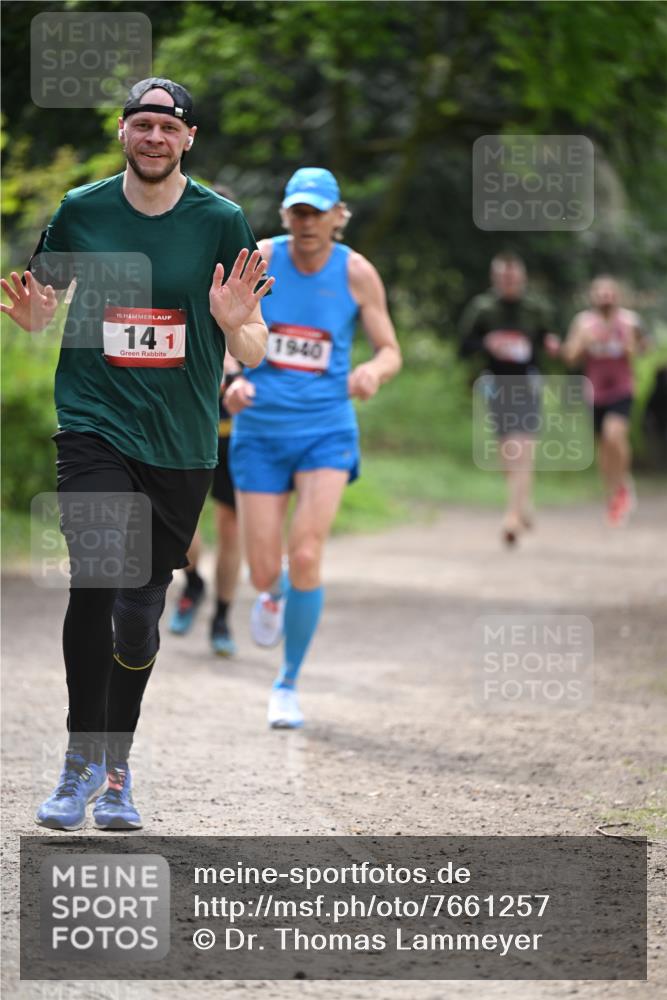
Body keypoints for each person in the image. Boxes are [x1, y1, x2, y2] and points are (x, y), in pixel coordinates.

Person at [0, 78, 272, 830]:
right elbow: (41, 304)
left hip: (181, 443)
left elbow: (253, 339)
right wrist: (32, 318)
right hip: (93, 419)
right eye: (142, 124)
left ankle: (116, 769)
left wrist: (233, 322)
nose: (154, 137)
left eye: (168, 127)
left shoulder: (220, 221)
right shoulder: (81, 210)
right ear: (122, 132)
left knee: (138, 613)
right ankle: (78, 759)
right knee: (95, 577)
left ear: (188, 139)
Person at [225, 167, 402, 729]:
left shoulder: (356, 273)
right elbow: (228, 329)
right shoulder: (259, 260)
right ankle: (272, 594)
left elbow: (391, 348)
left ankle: (287, 682)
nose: (306, 222)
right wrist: (233, 379)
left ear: (336, 216)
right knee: (261, 571)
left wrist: (374, 371)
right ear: (286, 216)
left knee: (305, 554)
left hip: (326, 428)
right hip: (260, 429)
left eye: (316, 212)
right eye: (297, 212)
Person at [459, 252, 560, 546]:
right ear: (494, 279)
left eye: (513, 277)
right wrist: (486, 343)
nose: (508, 282)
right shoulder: (482, 308)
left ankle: (512, 517)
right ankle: (522, 502)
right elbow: (463, 346)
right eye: (503, 277)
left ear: (522, 278)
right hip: (495, 384)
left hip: (527, 383)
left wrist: (551, 343)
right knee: (508, 451)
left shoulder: (536, 308)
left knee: (522, 448)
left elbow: (545, 338)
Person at [168, 352, 243, 656]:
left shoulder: (260, 313)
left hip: (238, 441)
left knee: (231, 530)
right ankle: (194, 582)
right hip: (191, 435)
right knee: (180, 521)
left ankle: (222, 618)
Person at [562, 275, 646, 525]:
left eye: (610, 293)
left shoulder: (629, 321)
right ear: (593, 296)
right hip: (595, 391)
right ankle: (613, 493)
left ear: (616, 295)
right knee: (604, 446)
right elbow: (569, 357)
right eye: (600, 293)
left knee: (615, 435)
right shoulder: (584, 322)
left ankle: (623, 487)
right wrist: (583, 342)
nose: (605, 298)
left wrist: (629, 343)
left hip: (622, 388)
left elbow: (640, 350)